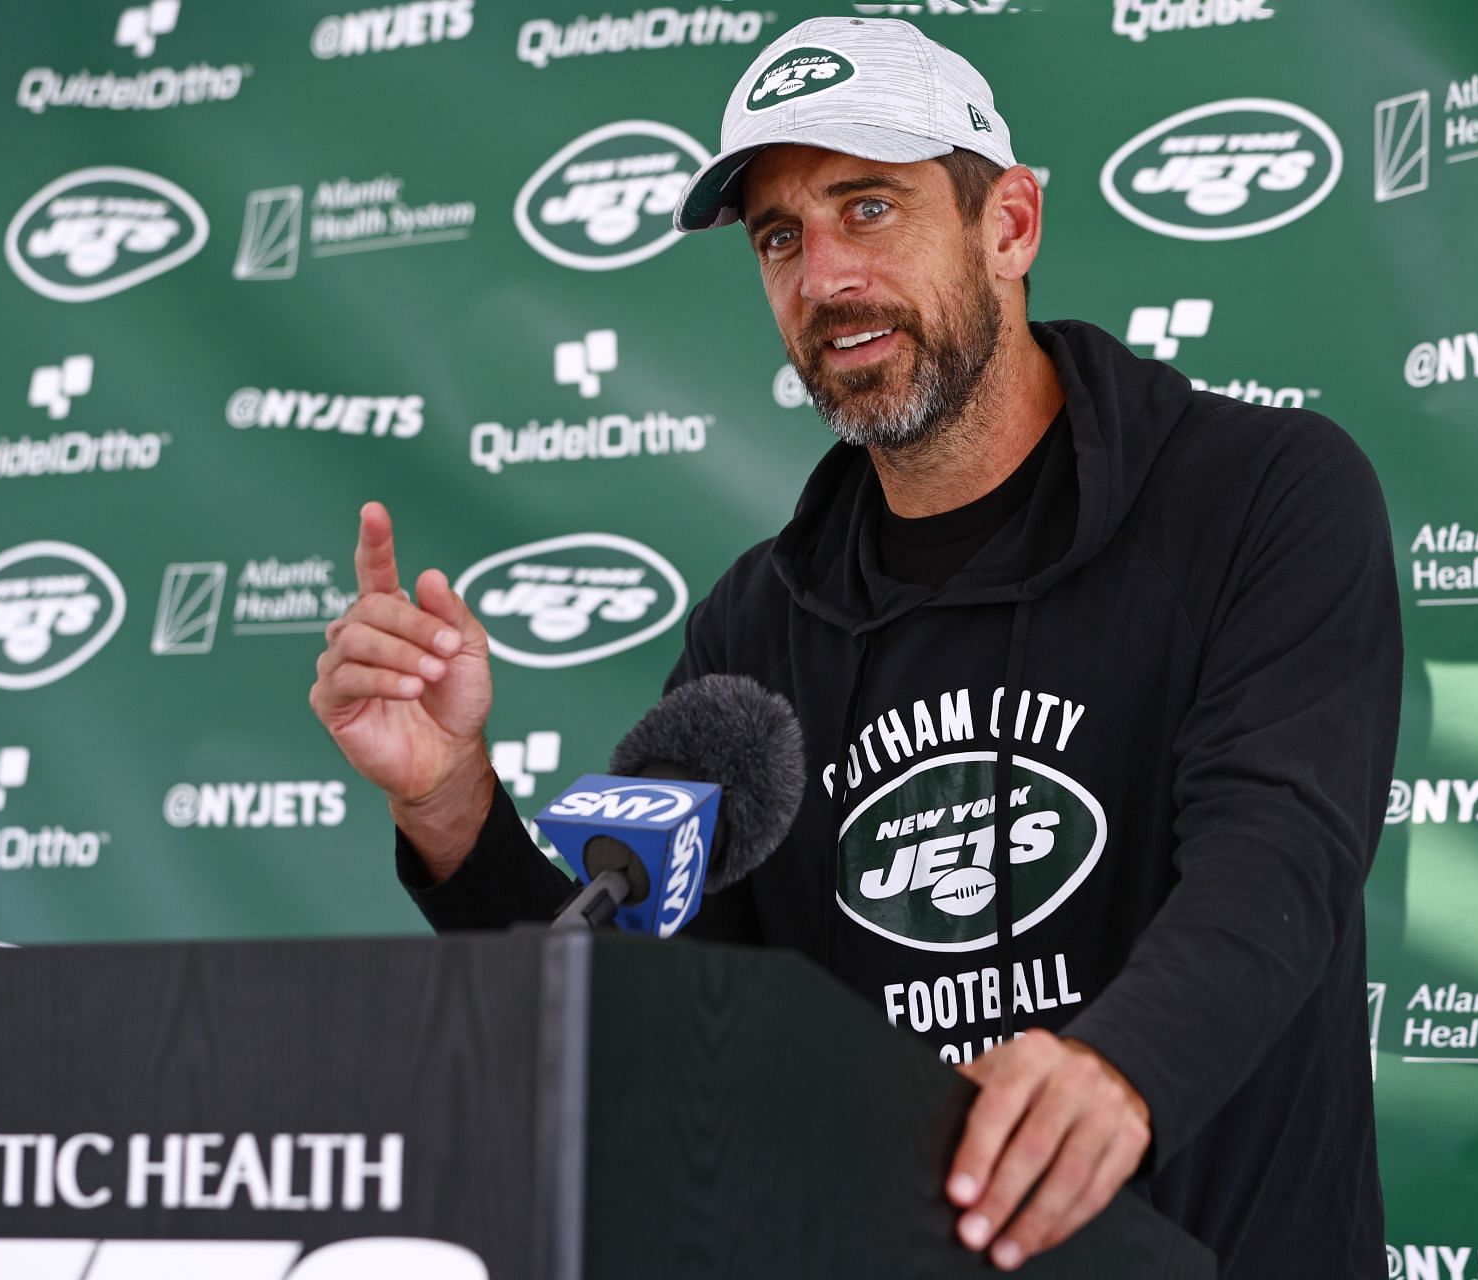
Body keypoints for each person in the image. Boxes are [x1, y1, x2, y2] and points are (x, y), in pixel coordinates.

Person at [310, 16, 1400, 1278]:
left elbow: (1280, 859)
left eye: (868, 207)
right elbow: (641, 1023)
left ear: (1010, 227)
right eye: (781, 236)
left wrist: (1120, 1064)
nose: (823, 277)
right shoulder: (752, 626)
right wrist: (452, 801)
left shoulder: (1261, 495)